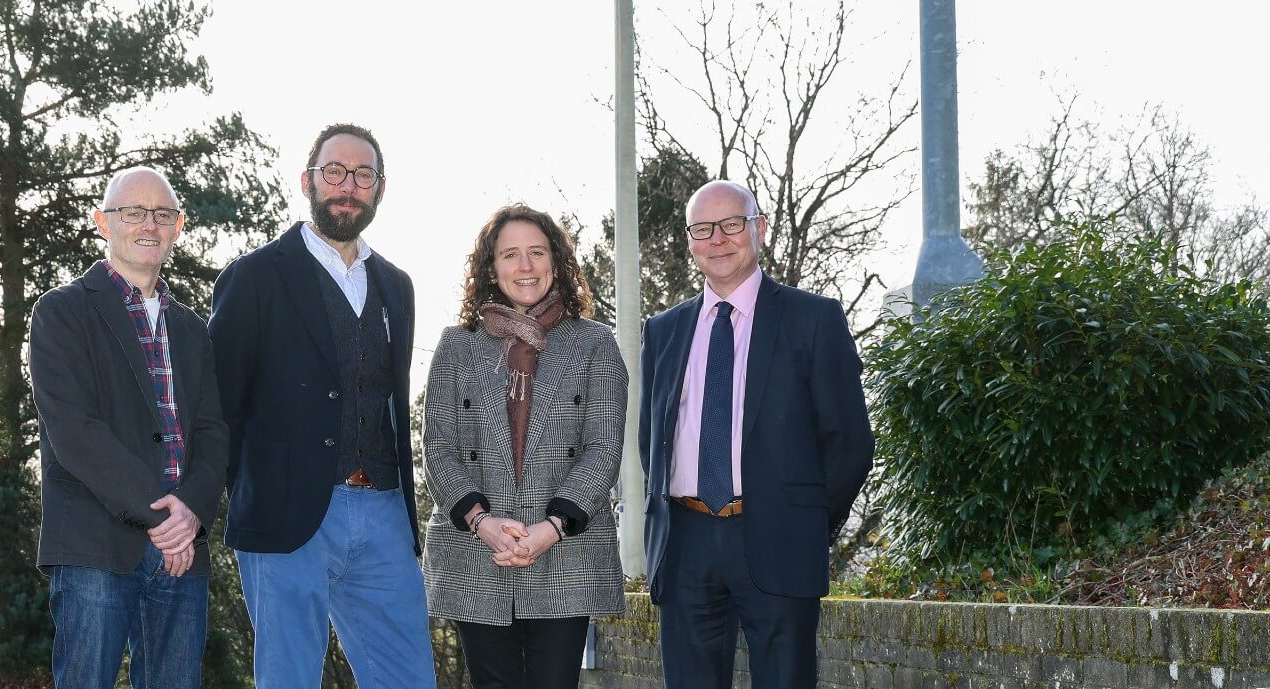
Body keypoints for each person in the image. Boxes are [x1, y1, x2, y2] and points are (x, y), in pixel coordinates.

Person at [208, 123, 436, 688]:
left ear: (380, 190)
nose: (348, 186)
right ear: (308, 181)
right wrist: (250, 493)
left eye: (363, 175)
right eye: (335, 172)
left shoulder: (397, 286)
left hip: (383, 511)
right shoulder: (255, 276)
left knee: (409, 679)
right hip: (288, 519)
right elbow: (218, 405)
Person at [638, 180, 874, 689]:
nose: (717, 238)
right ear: (689, 239)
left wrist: (804, 522)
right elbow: (650, 443)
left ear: (759, 229)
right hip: (685, 544)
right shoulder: (663, 330)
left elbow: (850, 443)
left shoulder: (814, 319)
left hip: (778, 537)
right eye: (703, 228)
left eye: (731, 225)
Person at [27, 167, 229, 689]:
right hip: (97, 545)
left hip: (183, 554)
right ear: (103, 223)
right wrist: (164, 517)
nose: (148, 224)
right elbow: (75, 433)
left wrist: (193, 514)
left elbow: (212, 434)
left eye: (162, 215)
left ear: (178, 227)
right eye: (133, 212)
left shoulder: (192, 331)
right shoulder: (62, 312)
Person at [421, 204, 627, 689]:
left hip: (563, 551)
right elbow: (438, 449)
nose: (526, 266)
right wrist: (482, 522)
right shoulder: (457, 346)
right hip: (478, 553)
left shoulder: (596, 344)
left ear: (556, 262)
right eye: (510, 254)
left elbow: (604, 447)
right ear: (491, 268)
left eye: (537, 252)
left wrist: (552, 527)